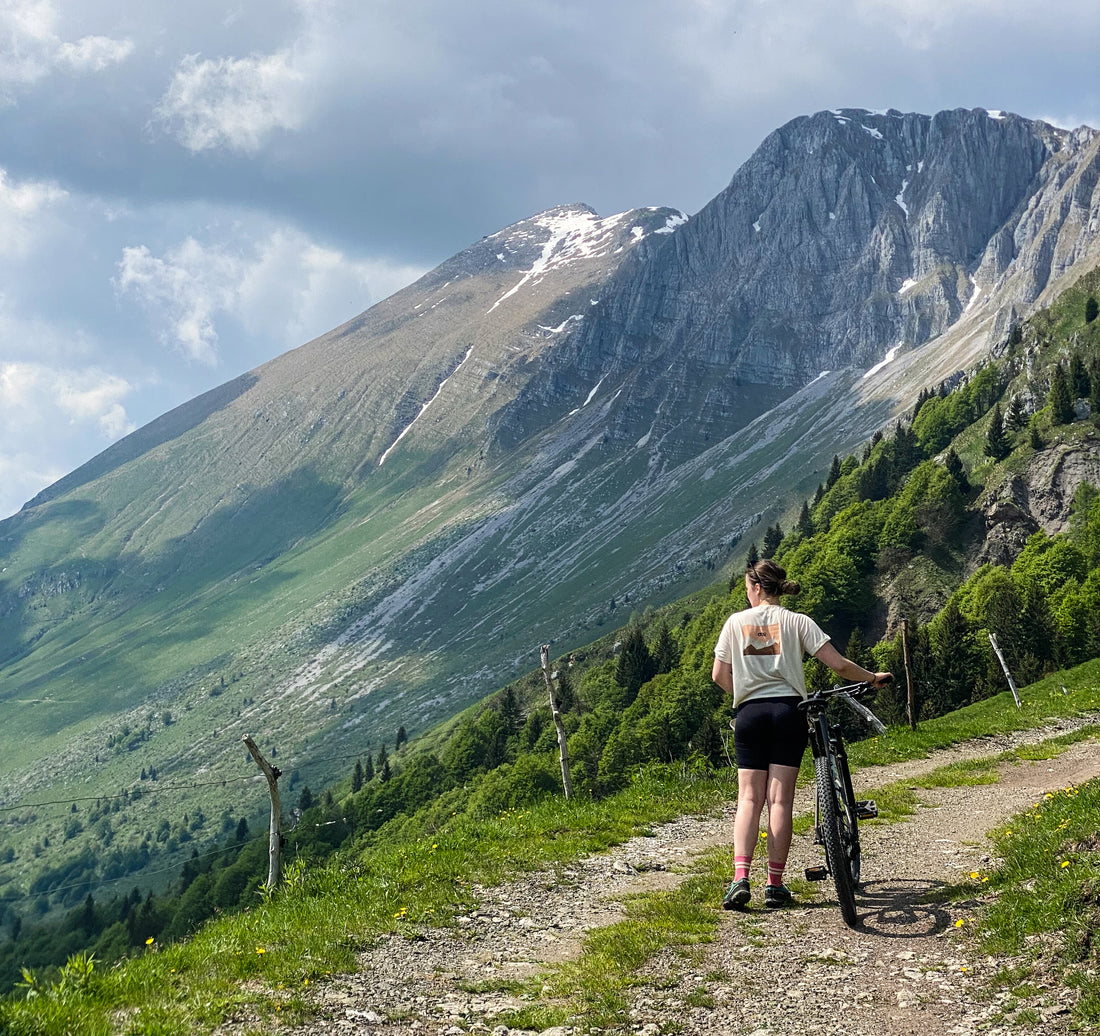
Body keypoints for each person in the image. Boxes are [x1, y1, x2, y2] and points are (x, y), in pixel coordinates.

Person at [711, 558, 892, 910]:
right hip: (786, 714)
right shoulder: (797, 621)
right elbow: (838, 665)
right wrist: (872, 677)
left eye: (748, 589)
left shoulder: (735, 623)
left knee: (749, 799)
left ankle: (740, 878)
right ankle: (774, 884)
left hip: (749, 714)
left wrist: (745, 693)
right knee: (780, 801)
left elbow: (719, 675)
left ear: (757, 588)